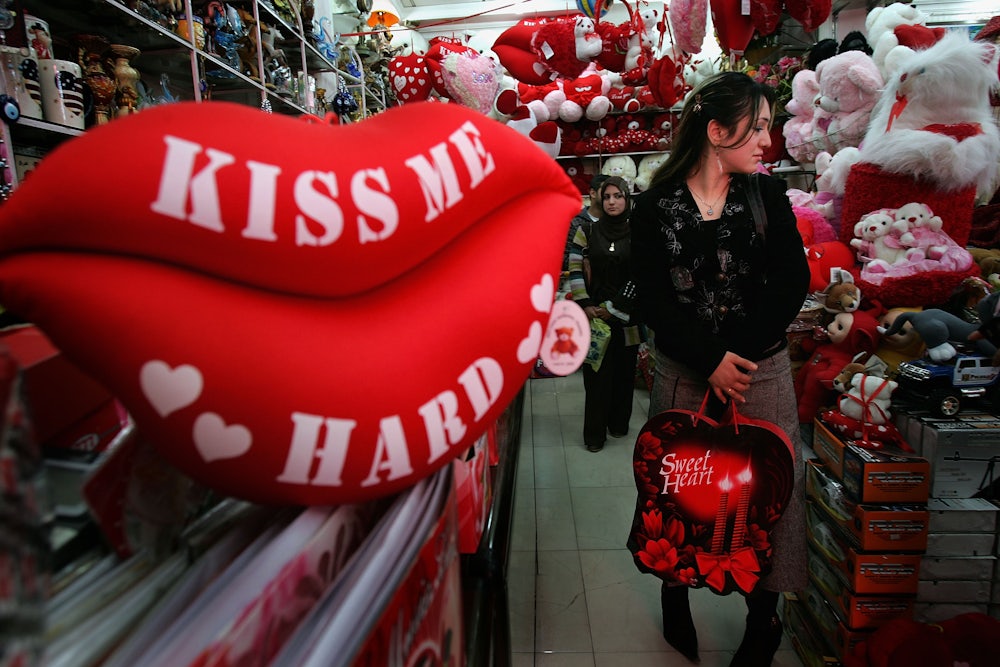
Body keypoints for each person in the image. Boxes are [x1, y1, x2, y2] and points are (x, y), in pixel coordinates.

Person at [630, 71, 810, 666]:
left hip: (761, 376)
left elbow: (792, 281)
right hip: (686, 375)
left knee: (766, 498)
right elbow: (649, 296)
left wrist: (737, 356)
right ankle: (675, 595)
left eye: (770, 126)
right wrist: (709, 359)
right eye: (757, 126)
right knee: (683, 496)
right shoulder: (656, 205)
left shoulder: (767, 196)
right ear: (716, 130)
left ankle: (765, 621)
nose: (768, 139)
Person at [567, 175, 641, 453]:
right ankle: (595, 435)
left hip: (628, 317)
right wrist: (586, 305)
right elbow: (574, 268)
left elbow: (642, 274)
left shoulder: (638, 230)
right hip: (594, 318)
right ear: (599, 198)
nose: (612, 202)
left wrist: (615, 308)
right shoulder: (586, 230)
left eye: (618, 196)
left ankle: (618, 424)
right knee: (596, 377)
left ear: (627, 198)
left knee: (624, 374)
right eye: (607, 196)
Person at [563, 173, 610, 276]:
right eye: (605, 193)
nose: (610, 199)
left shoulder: (616, 221)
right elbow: (566, 259)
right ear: (593, 193)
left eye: (615, 195)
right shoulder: (575, 223)